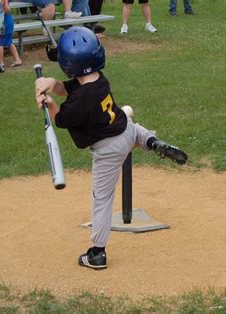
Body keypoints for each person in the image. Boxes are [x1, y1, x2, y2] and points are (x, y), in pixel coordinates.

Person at [34, 26, 188, 269]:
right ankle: (152, 142)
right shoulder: (99, 80)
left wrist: (49, 103)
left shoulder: (79, 100)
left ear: (68, 64)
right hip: (124, 128)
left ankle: (97, 252)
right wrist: (53, 84)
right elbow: (71, 89)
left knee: (102, 199)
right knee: (135, 130)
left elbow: (62, 119)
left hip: (109, 150)